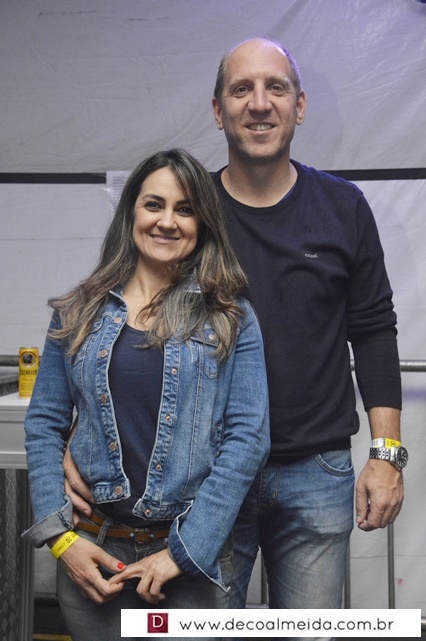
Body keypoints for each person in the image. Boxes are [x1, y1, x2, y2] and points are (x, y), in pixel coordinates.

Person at [64, 37, 406, 636]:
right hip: (203, 478)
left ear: (300, 106)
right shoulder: (185, 214)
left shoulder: (343, 207)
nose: (260, 103)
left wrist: (386, 454)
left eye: (277, 87)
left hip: (315, 471)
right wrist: (82, 434)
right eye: (241, 89)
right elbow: (120, 319)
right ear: (218, 110)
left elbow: (374, 330)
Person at [22, 148, 270, 641]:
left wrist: (185, 552)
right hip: (94, 555)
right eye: (154, 204)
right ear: (131, 211)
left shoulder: (230, 316)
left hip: (188, 558)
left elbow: (248, 439)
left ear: (202, 223)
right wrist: (60, 539)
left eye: (185, 209)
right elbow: (44, 422)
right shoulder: (78, 310)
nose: (167, 221)